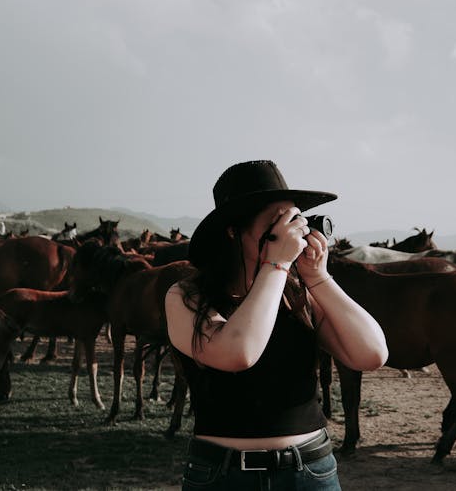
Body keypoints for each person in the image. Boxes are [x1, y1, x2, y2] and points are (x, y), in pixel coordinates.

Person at [166, 160, 388, 490]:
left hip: (309, 471)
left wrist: (318, 277)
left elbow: (371, 354)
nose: (292, 232)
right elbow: (238, 353)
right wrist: (277, 263)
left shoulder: (299, 292)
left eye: (295, 219)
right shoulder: (187, 296)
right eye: (278, 223)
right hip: (222, 477)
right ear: (233, 231)